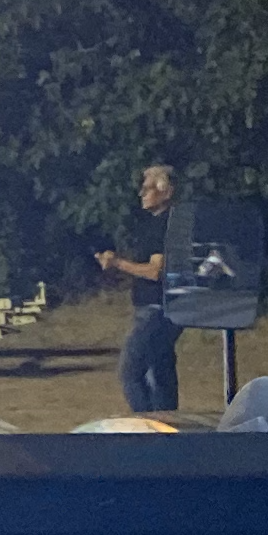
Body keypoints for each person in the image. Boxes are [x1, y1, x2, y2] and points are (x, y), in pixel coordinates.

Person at [98, 161, 180, 416]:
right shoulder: (167, 223)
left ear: (165, 191)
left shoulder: (163, 225)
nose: (141, 193)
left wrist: (117, 263)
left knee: (129, 371)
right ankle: (166, 424)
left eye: (147, 188)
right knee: (160, 371)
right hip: (160, 309)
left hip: (156, 309)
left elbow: (155, 271)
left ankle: (148, 423)